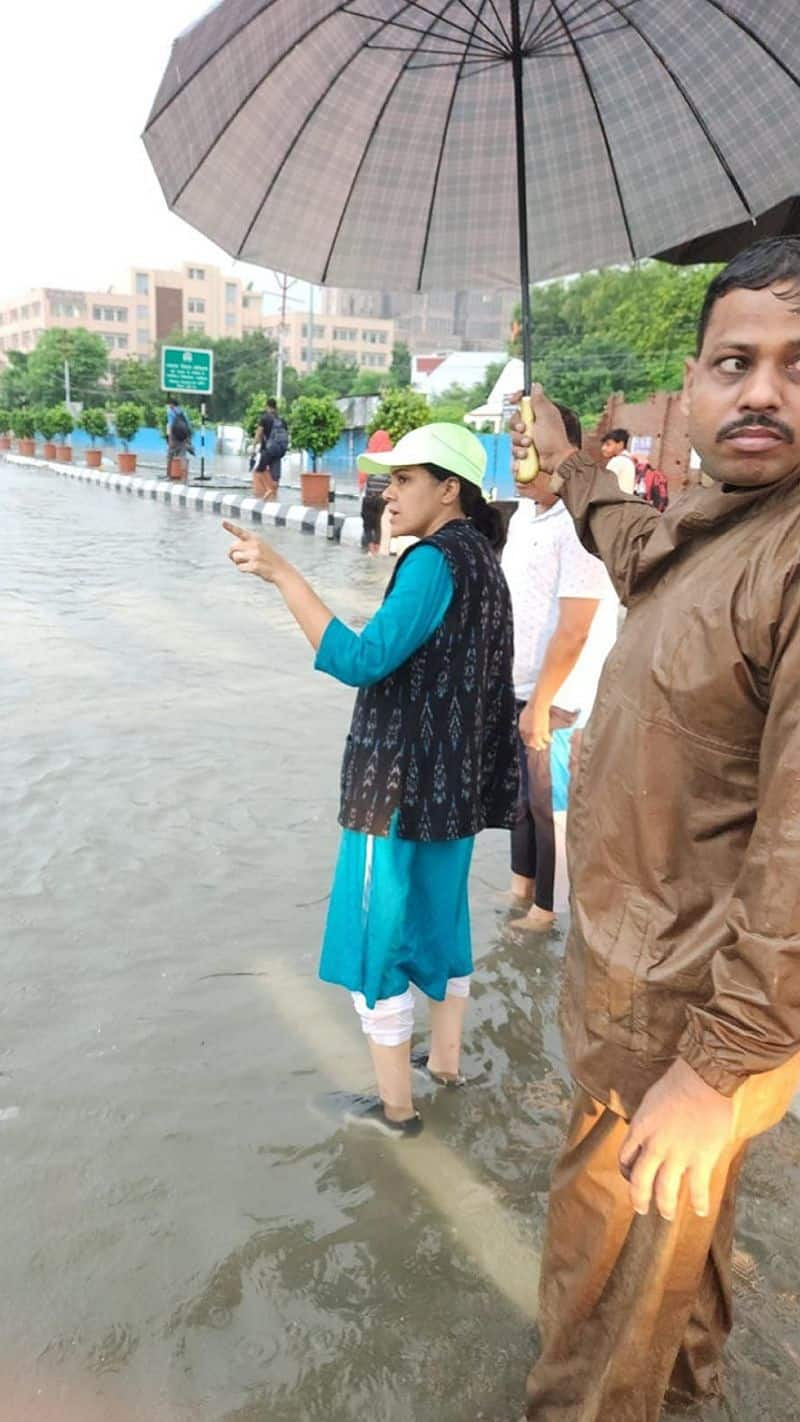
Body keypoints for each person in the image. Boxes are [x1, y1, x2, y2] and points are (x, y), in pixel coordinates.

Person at [509, 236, 800, 1421]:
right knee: (668, 1282)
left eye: (796, 364)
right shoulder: (710, 525)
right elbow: (628, 545)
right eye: (734, 362)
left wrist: (717, 1065)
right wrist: (569, 454)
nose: (764, 390)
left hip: (686, 1029)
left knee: (598, 1302)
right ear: (689, 387)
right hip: (638, 995)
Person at [224, 423, 518, 1137]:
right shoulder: (483, 557)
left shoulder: (432, 563)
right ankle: (444, 1067)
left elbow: (362, 660)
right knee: (444, 930)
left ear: (450, 489)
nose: (390, 493)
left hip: (396, 790)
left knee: (377, 943)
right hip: (454, 790)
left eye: (407, 479)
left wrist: (283, 576)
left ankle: (396, 1112)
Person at [501, 405, 617, 932]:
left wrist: (543, 704)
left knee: (549, 803)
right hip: (523, 684)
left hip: (561, 692)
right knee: (521, 798)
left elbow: (575, 628)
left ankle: (548, 911)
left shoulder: (579, 522)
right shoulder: (527, 516)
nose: (519, 463)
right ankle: (521, 886)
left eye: (531, 452)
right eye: (515, 452)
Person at [360, 428, 394, 554]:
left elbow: (362, 479)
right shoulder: (392, 459)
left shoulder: (368, 457)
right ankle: (378, 548)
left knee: (368, 527)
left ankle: (370, 549)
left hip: (368, 499)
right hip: (383, 500)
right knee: (380, 526)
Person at [251, 397, 288, 500]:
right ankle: (274, 496)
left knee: (259, 470)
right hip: (280, 450)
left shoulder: (265, 418)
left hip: (268, 450)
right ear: (275, 407)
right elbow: (286, 435)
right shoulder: (282, 419)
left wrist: (254, 446)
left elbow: (259, 433)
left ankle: (268, 489)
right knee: (275, 476)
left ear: (267, 406)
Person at [600, 426, 637, 494]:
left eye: (608, 444)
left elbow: (604, 486)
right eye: (603, 445)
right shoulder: (629, 460)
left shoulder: (617, 461)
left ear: (620, 445)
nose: (603, 448)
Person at [165, 395, 193, 480]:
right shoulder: (183, 411)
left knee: (170, 455)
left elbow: (170, 425)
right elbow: (188, 425)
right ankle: (184, 476)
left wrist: (169, 437)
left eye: (169, 404)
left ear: (171, 404)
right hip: (183, 437)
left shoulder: (170, 411)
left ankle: (169, 475)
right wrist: (188, 438)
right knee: (183, 456)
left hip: (174, 437)